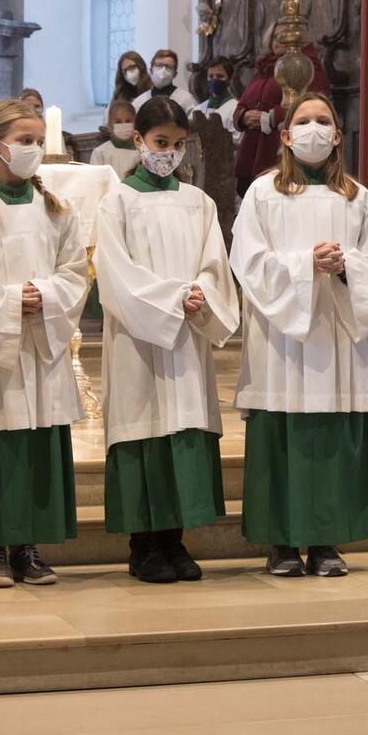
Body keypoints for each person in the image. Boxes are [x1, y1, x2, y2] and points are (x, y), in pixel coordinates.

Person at [230, 92, 368, 578]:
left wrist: (347, 266)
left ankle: (326, 541)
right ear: (285, 135)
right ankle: (280, 543)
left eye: (324, 121)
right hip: (282, 337)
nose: (315, 129)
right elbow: (249, 261)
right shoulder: (263, 195)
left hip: (339, 334)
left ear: (338, 135)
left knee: (330, 435)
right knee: (283, 435)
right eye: (304, 121)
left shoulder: (358, 197)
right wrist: (306, 264)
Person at [0, 99, 89, 589]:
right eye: (24, 140)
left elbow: (75, 274)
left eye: (37, 140)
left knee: (36, 444)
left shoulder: (57, 209)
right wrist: (8, 300)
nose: (33, 149)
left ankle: (29, 546)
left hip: (39, 343)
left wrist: (43, 296)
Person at [95, 98, 240, 583]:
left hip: (185, 337)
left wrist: (201, 293)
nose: (170, 154)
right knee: (144, 432)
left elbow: (214, 263)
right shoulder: (117, 202)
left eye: (178, 145)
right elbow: (115, 274)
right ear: (137, 141)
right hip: (137, 339)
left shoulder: (198, 202)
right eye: (161, 143)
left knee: (182, 430)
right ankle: (143, 547)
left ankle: (176, 541)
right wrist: (172, 299)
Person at [234, 23, 330, 196]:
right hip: (253, 144)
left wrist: (271, 117)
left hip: (278, 142)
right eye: (275, 36)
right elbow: (243, 102)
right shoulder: (263, 69)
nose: (279, 41)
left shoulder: (304, 65)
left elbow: (312, 102)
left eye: (285, 36)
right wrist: (243, 116)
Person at [191, 56, 242, 146]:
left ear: (229, 79)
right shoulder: (198, 109)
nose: (214, 80)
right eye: (211, 76)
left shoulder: (236, 108)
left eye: (220, 76)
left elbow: (238, 140)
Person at [131, 49, 196, 114]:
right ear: (151, 70)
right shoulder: (139, 102)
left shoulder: (187, 100)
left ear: (175, 74)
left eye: (168, 67)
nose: (163, 70)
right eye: (159, 65)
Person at [89, 100, 140, 181]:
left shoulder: (142, 151)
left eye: (128, 121)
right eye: (118, 122)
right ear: (110, 125)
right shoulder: (100, 153)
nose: (123, 125)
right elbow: (95, 181)